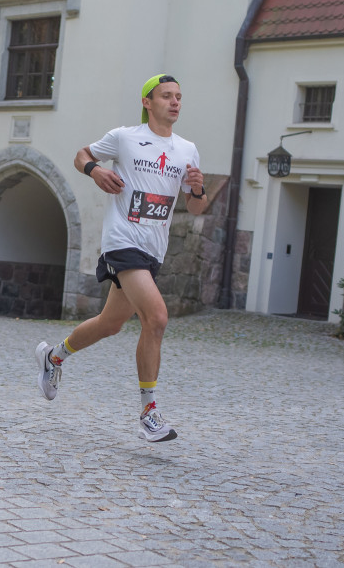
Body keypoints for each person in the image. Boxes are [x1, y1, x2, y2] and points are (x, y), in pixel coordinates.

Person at [35, 74, 210, 443]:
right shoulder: (125, 137)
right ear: (147, 102)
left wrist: (197, 187)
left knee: (110, 323)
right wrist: (95, 170)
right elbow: (81, 154)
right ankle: (149, 412)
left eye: (179, 96)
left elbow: (196, 208)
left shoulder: (187, 149)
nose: (175, 102)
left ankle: (53, 358)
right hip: (122, 241)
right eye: (166, 96)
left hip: (152, 249)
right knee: (157, 317)